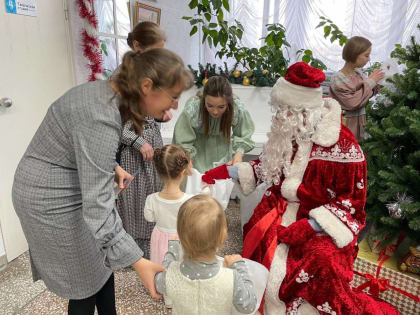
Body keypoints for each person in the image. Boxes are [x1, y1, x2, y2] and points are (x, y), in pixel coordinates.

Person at [202, 62, 400, 314]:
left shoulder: (343, 146)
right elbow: (267, 167)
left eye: (287, 110)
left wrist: (312, 225)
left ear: (305, 110)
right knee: (258, 232)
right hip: (279, 210)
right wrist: (228, 171)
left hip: (321, 221)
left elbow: (353, 201)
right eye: (280, 109)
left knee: (319, 261)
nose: (280, 117)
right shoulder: (285, 133)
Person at [12, 48, 193, 315]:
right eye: (174, 97)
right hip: (48, 198)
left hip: (67, 182)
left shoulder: (108, 95)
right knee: (85, 280)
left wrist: (113, 165)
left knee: (101, 264)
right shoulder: (101, 114)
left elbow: (82, 145)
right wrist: (138, 261)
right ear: (147, 86)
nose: (174, 107)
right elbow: (98, 207)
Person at [116, 21, 169, 259]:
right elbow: (114, 126)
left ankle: (150, 250)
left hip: (152, 149)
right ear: (137, 46)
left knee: (153, 198)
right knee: (133, 203)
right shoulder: (122, 79)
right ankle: (130, 254)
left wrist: (161, 115)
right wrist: (139, 142)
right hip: (132, 153)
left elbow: (150, 110)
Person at [154, 194, 257, 314]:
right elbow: (248, 306)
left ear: (181, 236)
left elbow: (159, 282)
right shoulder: (231, 278)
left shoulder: (169, 274)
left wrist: (173, 248)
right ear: (223, 236)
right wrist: (239, 266)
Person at [173, 75, 255, 173]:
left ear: (228, 102)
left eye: (221, 107)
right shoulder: (193, 108)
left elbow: (244, 134)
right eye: (210, 105)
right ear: (204, 100)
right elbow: (182, 140)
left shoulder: (237, 108)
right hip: (197, 159)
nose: (215, 112)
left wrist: (238, 154)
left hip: (224, 157)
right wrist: (186, 158)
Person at [144, 144, 194, 265]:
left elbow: (149, 218)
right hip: (182, 239)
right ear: (182, 172)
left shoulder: (151, 199)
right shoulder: (190, 200)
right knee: (179, 267)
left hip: (159, 238)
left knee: (160, 264)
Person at [329, 36, 384, 141]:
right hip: (345, 125)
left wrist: (378, 84)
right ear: (354, 55)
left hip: (360, 123)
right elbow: (353, 102)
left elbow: (364, 94)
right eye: (366, 55)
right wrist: (371, 81)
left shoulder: (358, 73)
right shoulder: (338, 79)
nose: (369, 59)